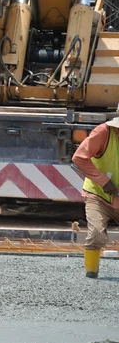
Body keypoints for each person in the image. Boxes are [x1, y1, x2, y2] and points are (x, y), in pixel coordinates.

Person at [72, 117, 119, 278]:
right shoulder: (104, 132)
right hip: (98, 195)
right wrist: (104, 181)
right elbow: (79, 157)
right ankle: (91, 273)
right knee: (97, 234)